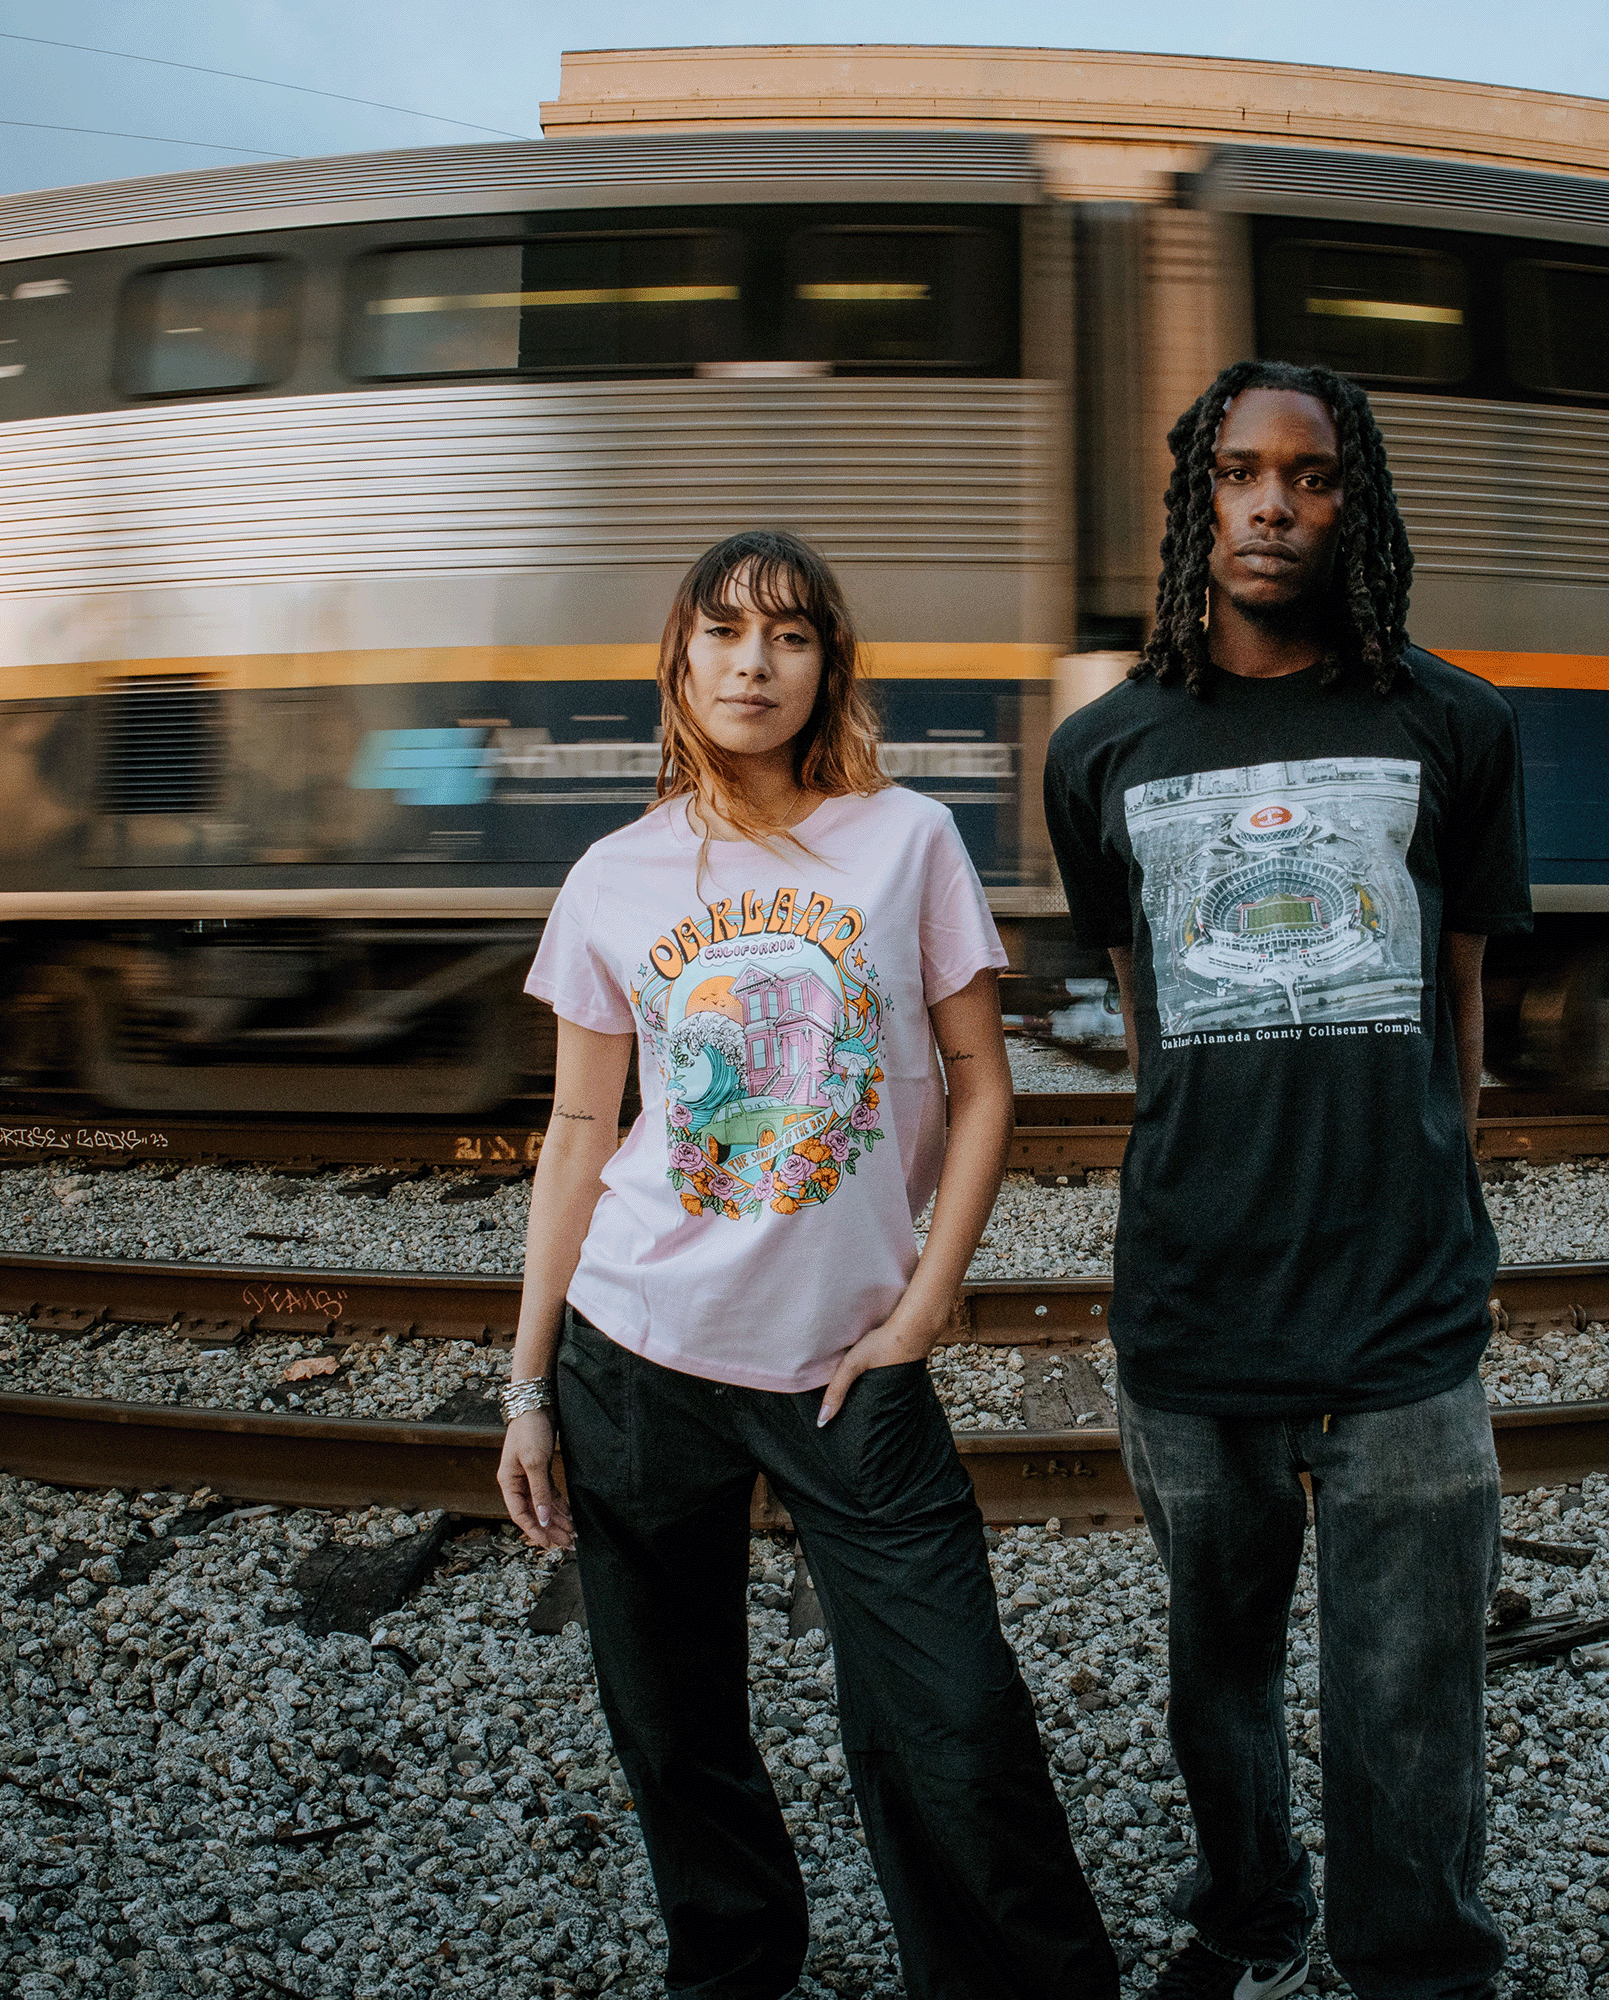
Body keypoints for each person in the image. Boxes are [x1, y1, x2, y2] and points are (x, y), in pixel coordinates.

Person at [498, 528, 1118, 2000]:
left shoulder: (905, 841)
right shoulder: (615, 874)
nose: (752, 664)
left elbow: (986, 1087)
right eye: (722, 633)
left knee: (956, 1725)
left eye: (787, 636)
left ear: (829, 664)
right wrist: (527, 1385)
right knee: (674, 1723)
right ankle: (737, 1968)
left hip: (855, 1365)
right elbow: (583, 1127)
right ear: (681, 661)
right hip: (635, 1354)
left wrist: (921, 1308)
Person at [1043, 360, 1531, 2000]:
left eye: (1310, 476)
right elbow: (1146, 1006)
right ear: (1197, 497)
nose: (1272, 502)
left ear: (1355, 502)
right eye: (1240, 472)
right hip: (1196, 1295)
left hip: (1403, 1299)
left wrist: (1442, 1192)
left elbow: (1462, 993)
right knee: (1219, 1676)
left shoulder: (1452, 724)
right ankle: (1246, 1912)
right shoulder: (1103, 746)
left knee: (1412, 1687)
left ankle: (1418, 1964)